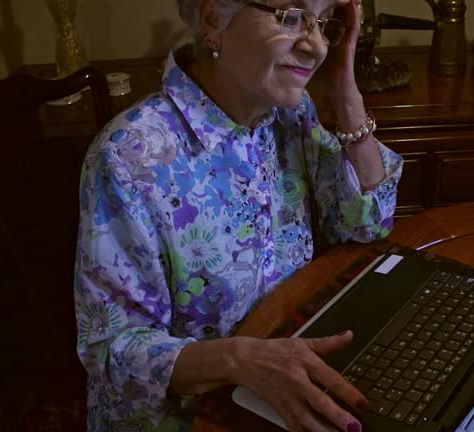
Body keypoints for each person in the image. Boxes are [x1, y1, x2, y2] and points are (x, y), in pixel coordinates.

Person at [73, 0, 403, 430]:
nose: (317, 46)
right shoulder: (129, 158)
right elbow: (110, 348)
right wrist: (239, 360)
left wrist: (347, 94)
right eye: (292, 16)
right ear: (213, 20)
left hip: (283, 380)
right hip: (190, 415)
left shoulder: (289, 113)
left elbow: (367, 223)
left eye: (324, 24)